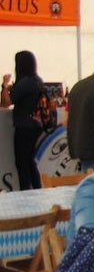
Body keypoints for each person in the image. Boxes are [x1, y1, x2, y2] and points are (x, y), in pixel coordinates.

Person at [2, 50, 45, 189]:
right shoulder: (37, 80)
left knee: (22, 163)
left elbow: (7, 102)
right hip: (36, 125)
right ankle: (37, 189)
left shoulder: (24, 83)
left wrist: (4, 86)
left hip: (24, 126)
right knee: (30, 161)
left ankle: (25, 191)